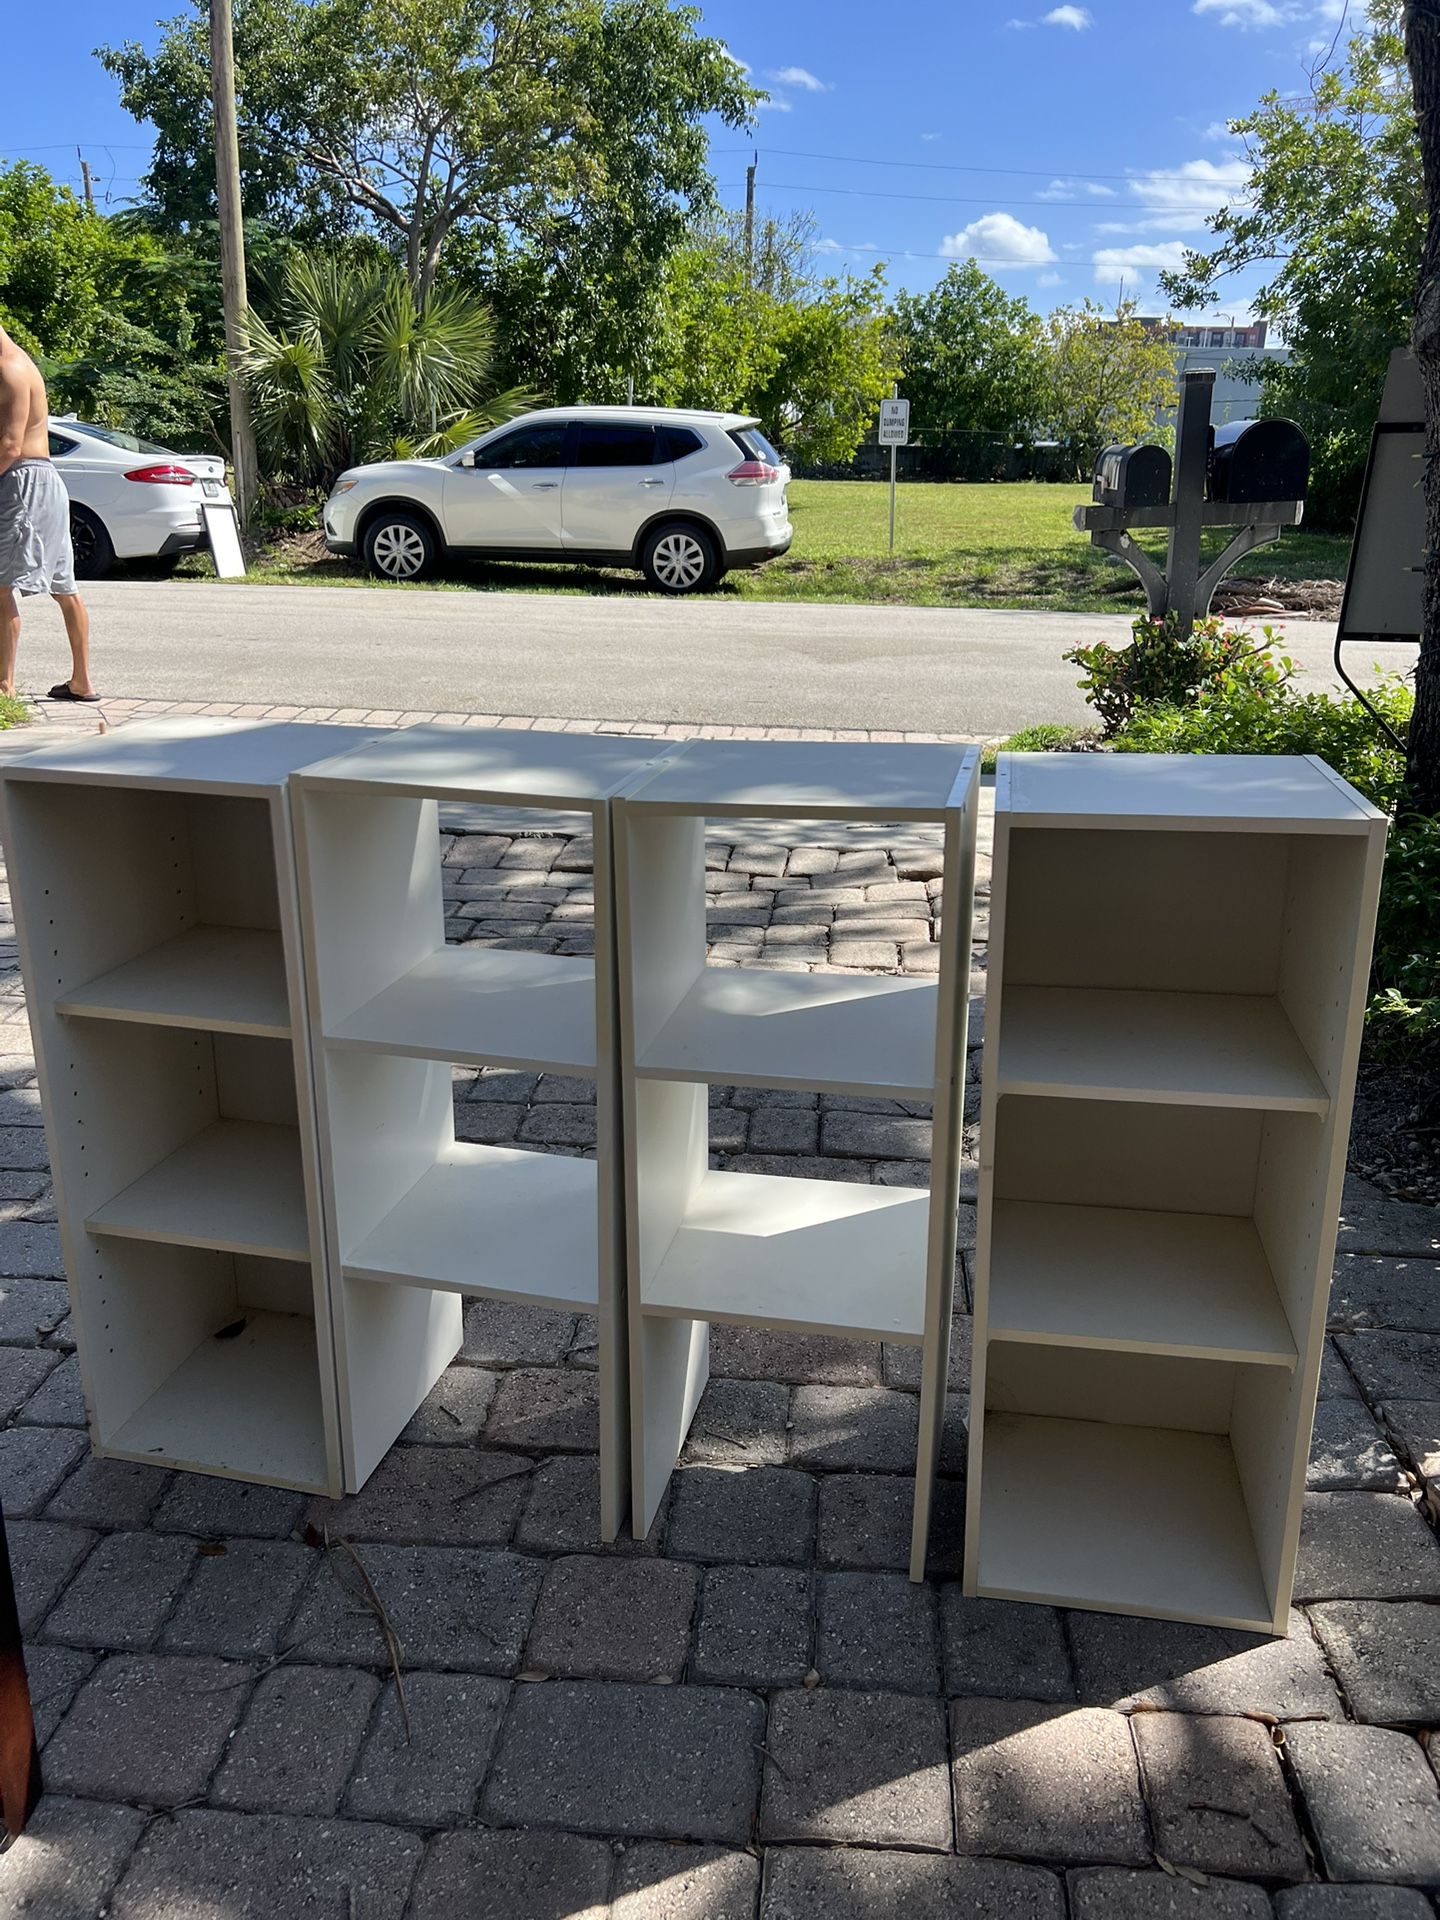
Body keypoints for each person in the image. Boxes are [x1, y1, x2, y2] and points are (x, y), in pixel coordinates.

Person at [0, 324, 97, 703]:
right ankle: (82, 682)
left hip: (22, 479)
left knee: (1, 585)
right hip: (42, 480)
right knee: (64, 586)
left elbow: (9, 445)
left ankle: (4, 687)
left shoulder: (10, 368)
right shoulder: (17, 363)